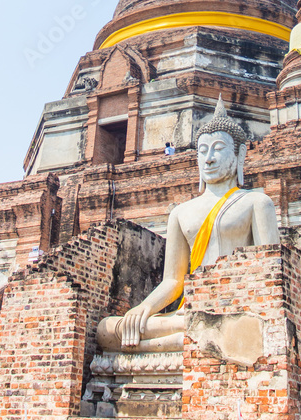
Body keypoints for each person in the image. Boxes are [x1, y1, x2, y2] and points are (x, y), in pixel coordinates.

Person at [96, 98, 278, 352]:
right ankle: (193, 341)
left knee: (231, 326)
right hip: (190, 312)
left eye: (218, 149)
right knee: (107, 330)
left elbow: (267, 274)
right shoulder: (181, 213)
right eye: (203, 151)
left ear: (239, 155)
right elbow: (173, 281)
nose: (209, 159)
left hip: (235, 308)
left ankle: (184, 342)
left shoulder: (256, 203)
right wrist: (144, 308)